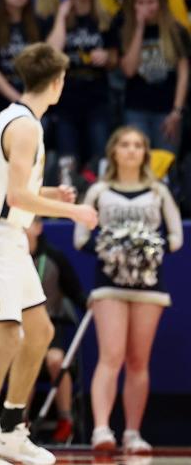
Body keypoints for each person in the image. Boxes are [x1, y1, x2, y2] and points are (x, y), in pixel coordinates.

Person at [0, 43, 98, 465]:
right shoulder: (26, 126)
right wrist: (74, 211)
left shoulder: (17, 118)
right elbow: (15, 196)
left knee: (41, 332)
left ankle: (10, 430)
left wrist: (50, 193)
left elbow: (14, 188)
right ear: (56, 82)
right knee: (8, 338)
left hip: (10, 235)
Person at [76, 126, 184, 454]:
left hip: (149, 285)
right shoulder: (98, 190)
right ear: (113, 151)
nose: (132, 150)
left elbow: (176, 237)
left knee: (139, 360)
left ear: (145, 153)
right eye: (125, 144)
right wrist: (114, 249)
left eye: (138, 145)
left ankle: (133, 433)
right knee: (111, 356)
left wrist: (144, 249)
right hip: (109, 283)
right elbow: (80, 238)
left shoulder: (157, 191)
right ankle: (101, 429)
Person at [45, 0, 117, 172]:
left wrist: (106, 56)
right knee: (67, 161)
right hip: (65, 100)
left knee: (101, 158)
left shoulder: (104, 20)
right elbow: (51, 53)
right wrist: (61, 16)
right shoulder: (57, 18)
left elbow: (116, 58)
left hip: (97, 99)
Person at [24, 218, 88, 444]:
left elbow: (75, 291)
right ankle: (18, 422)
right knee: (24, 364)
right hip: (18, 325)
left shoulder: (53, 257)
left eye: (28, 222)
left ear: (39, 227)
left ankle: (65, 419)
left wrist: (90, 303)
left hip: (50, 324)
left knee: (56, 360)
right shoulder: (9, 257)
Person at [117, 0, 189, 153]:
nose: (146, 7)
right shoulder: (125, 30)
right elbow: (129, 70)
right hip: (136, 109)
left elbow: (184, 72)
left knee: (166, 163)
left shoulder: (176, 30)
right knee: (138, 162)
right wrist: (140, 28)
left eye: (151, 2)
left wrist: (177, 111)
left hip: (167, 109)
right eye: (140, 2)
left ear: (160, 4)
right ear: (133, 5)